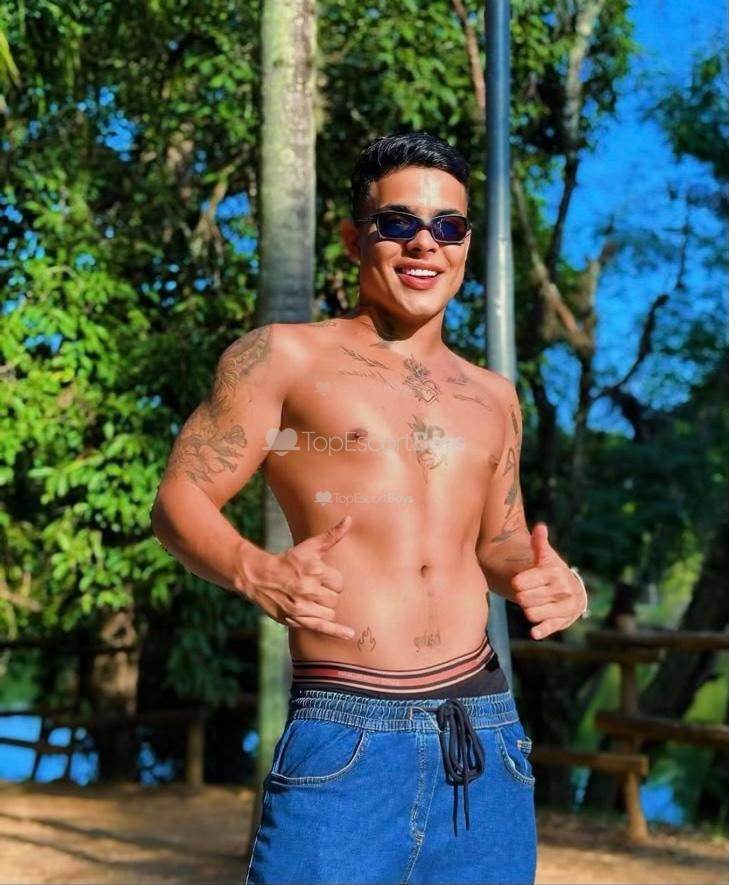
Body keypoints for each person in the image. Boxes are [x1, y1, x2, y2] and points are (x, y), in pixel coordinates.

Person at [150, 132, 588, 885]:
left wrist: (551, 578)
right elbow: (178, 501)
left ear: (466, 244)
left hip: (482, 733)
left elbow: (499, 543)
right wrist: (252, 569)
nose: (425, 242)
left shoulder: (494, 396)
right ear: (355, 239)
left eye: (448, 226)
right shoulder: (282, 357)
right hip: (345, 731)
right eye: (398, 222)